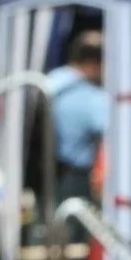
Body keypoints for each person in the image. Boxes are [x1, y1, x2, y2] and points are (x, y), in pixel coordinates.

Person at [46, 30, 109, 211]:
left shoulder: (49, 82)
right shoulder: (93, 97)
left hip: (43, 175)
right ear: (94, 64)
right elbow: (114, 134)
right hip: (76, 178)